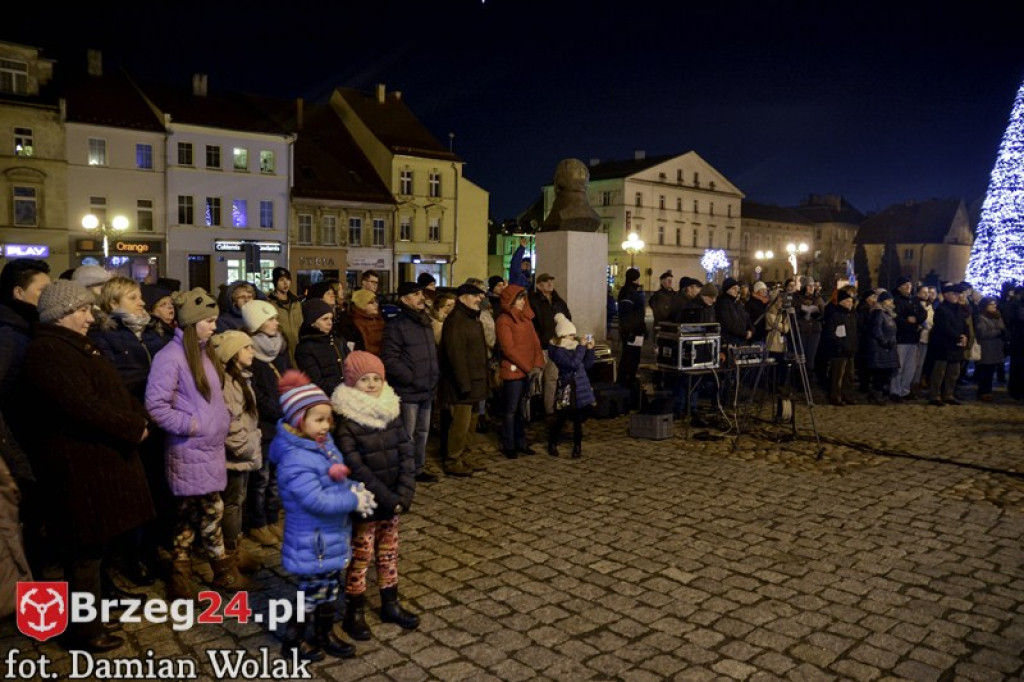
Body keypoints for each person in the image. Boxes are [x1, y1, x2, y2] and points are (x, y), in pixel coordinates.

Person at [20, 280, 153, 652]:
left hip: (98, 464)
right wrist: (132, 428)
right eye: (81, 310)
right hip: (79, 468)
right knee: (83, 552)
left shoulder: (75, 345)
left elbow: (112, 393)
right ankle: (84, 630)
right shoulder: (48, 351)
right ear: (60, 314)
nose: (89, 317)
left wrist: (140, 418)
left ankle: (94, 614)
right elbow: (83, 405)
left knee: (95, 548)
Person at [145, 287, 252, 599]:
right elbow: (156, 406)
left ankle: (181, 574)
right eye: (209, 321)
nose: (214, 326)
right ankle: (221, 571)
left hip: (208, 449)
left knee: (189, 516)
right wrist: (192, 425)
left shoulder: (203, 353)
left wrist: (218, 422)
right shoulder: (170, 357)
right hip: (189, 449)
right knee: (210, 511)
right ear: (192, 324)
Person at [270, 370, 376, 661]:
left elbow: (337, 482)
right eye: (318, 420)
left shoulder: (323, 446)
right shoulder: (295, 459)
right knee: (312, 592)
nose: (326, 426)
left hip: (329, 536)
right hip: (313, 539)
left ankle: (324, 633)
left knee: (329, 587)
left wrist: (355, 488)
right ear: (298, 421)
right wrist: (352, 500)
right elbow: (316, 500)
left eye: (328, 419)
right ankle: (292, 639)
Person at [89, 276, 173, 586]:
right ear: (113, 303)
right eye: (133, 297)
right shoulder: (105, 336)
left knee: (161, 490)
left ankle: (156, 549)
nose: (141, 303)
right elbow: (112, 384)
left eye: (140, 297)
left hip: (163, 423)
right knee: (137, 495)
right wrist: (151, 391)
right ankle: (133, 555)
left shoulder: (155, 333)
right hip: (135, 425)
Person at [331, 351, 419, 642]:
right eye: (364, 379)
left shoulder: (390, 411)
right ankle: (354, 611)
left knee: (389, 553)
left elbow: (406, 451)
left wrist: (404, 491)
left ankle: (390, 602)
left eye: (376, 379)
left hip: (393, 499)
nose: (371, 384)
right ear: (351, 383)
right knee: (361, 555)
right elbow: (355, 465)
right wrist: (387, 497)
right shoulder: (347, 421)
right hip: (366, 503)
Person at [210, 331, 264, 577]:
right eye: (246, 348)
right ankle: (230, 554)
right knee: (232, 503)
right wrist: (246, 448)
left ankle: (236, 549)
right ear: (232, 353)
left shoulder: (239, 379)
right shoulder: (228, 384)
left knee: (238, 501)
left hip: (243, 452)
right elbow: (232, 423)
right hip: (235, 456)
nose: (252, 352)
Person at [241, 299, 291, 547]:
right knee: (260, 479)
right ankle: (257, 522)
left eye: (275, 318)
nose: (275, 323)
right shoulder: (250, 353)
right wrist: (279, 410)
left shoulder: (280, 348)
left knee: (275, 479)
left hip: (282, 424)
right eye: (270, 319)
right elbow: (256, 394)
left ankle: (272, 518)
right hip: (264, 425)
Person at [380, 282, 441, 483]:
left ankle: (418, 468)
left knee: (423, 432)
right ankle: (404, 471)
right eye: (415, 294)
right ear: (404, 299)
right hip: (409, 390)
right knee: (407, 433)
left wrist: (433, 375)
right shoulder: (397, 325)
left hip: (427, 387)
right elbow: (389, 358)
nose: (421, 297)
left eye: (420, 293)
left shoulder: (424, 321)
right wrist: (410, 378)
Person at [438, 283, 490, 477]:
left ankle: (465, 455)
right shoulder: (456, 321)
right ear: (463, 297)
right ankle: (453, 460)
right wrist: (463, 384)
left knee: (471, 423)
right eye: (475, 296)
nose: (479, 299)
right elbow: (456, 356)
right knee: (460, 424)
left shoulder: (470, 318)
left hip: (475, 381)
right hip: (462, 384)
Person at [495, 284, 545, 459]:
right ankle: (509, 444)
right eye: (520, 298)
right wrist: (528, 367)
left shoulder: (526, 319)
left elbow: (536, 343)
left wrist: (538, 364)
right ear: (511, 300)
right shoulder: (504, 320)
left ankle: (521, 442)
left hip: (527, 371)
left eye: (524, 298)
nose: (523, 301)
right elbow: (508, 349)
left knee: (521, 410)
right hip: (514, 372)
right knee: (510, 410)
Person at [547, 313, 596, 458]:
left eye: (574, 335)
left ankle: (577, 446)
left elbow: (587, 365)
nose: (573, 338)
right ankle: (552, 442)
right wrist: (581, 347)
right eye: (570, 335)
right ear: (562, 335)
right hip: (568, 387)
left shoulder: (575, 347)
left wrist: (590, 349)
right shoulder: (558, 351)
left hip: (581, 386)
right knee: (562, 417)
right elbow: (573, 364)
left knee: (578, 419)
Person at [528, 273, 572, 415]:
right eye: (546, 281)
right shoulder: (533, 300)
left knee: (552, 378)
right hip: (540, 346)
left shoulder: (558, 301)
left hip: (555, 346)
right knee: (535, 377)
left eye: (551, 281)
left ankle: (549, 409)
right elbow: (531, 324)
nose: (550, 284)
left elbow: (567, 319)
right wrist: (537, 339)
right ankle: (532, 409)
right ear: (539, 285)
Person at [295, 298, 347, 396]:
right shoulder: (305, 348)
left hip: (346, 393)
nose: (330, 322)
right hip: (327, 397)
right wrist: (341, 393)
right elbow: (316, 381)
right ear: (312, 322)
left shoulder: (337, 340)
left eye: (331, 318)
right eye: (325, 319)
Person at [928, 283, 969, 406]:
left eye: (957, 294)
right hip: (943, 346)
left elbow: (964, 324)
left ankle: (948, 394)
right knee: (939, 373)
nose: (956, 296)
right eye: (953, 294)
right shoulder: (941, 309)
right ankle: (935, 396)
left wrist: (965, 335)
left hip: (956, 346)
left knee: (954, 372)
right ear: (946, 295)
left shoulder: (958, 309)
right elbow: (944, 328)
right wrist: (959, 336)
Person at [889, 276, 924, 401]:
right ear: (899, 287)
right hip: (901, 338)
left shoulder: (914, 299)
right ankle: (895, 391)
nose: (908, 287)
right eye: (905, 285)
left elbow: (923, 313)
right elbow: (897, 317)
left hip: (913, 339)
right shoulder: (896, 300)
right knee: (899, 367)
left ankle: (905, 390)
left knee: (910, 368)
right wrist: (909, 322)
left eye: (909, 284)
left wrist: (916, 320)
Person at [822, 289, 858, 405]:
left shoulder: (852, 315)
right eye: (847, 301)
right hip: (839, 350)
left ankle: (847, 395)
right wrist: (839, 345)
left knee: (849, 375)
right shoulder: (835, 315)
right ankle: (835, 396)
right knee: (838, 376)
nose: (850, 303)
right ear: (841, 302)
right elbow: (830, 332)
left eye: (851, 301)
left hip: (850, 350)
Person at [617, 267, 646, 405]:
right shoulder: (629, 293)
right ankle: (626, 386)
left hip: (635, 332)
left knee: (632, 358)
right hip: (632, 333)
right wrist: (631, 332)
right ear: (635, 279)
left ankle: (628, 384)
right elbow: (629, 315)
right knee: (630, 359)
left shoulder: (629, 291)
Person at [866, 291, 899, 404]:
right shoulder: (878, 313)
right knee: (879, 373)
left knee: (886, 372)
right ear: (883, 301)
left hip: (888, 347)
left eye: (891, 300)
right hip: (880, 348)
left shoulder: (888, 314)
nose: (891, 302)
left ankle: (880, 393)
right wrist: (884, 342)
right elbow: (876, 329)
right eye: (889, 300)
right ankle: (877, 394)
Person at [972, 296, 1007, 402]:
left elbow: (1002, 327)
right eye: (991, 304)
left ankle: (988, 391)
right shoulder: (981, 318)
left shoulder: (997, 316)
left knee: (991, 371)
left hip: (995, 347)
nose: (993, 306)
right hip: (986, 347)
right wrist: (998, 332)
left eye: (994, 304)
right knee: (985, 371)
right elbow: (983, 333)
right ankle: (983, 392)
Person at [268, 267, 303, 364]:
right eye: (281, 279)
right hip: (281, 351)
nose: (285, 282)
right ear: (275, 282)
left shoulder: (296, 303)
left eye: (288, 279)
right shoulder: (270, 303)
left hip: (298, 350)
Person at [715, 277, 754, 347]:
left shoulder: (738, 304)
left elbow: (746, 318)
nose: (736, 291)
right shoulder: (722, 304)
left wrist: (751, 330)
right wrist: (744, 333)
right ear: (727, 290)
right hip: (730, 342)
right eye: (734, 288)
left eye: (737, 288)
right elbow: (728, 324)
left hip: (741, 341)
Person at [351, 288, 385, 356]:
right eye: (371, 302)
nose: (376, 304)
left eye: (376, 301)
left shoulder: (380, 318)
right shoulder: (356, 323)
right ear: (362, 305)